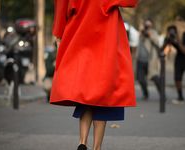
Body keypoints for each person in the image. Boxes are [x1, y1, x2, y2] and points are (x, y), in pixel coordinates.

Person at [50, 1, 137, 150]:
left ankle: (82, 142)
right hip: (106, 35)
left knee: (85, 94)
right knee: (103, 97)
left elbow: (61, 3)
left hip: (79, 31)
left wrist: (58, 32)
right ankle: (97, 148)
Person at [136, 19, 160, 100]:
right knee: (140, 79)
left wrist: (149, 35)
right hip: (140, 60)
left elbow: (157, 42)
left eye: (149, 26)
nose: (147, 27)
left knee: (155, 77)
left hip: (150, 61)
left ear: (151, 26)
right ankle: (145, 93)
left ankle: (162, 94)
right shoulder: (141, 33)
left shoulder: (153, 33)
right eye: (146, 26)